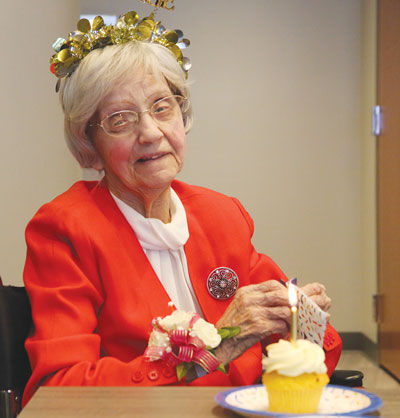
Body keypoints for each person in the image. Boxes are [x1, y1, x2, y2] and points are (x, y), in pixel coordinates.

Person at [22, 10, 342, 406]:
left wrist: (300, 318)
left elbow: (312, 352)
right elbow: (59, 392)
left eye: (162, 107)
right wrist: (217, 344)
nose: (151, 133)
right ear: (89, 145)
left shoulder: (222, 215)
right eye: (121, 120)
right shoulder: (65, 229)